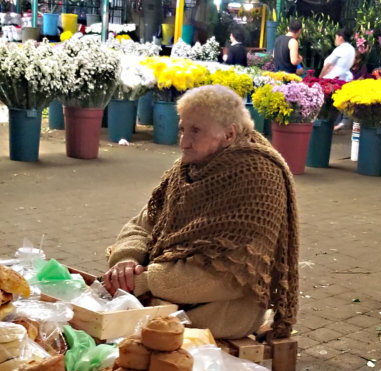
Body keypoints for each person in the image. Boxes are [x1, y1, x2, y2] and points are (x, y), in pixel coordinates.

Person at [102, 85, 299, 340]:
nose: (183, 141)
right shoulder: (188, 168)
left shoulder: (259, 178)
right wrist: (126, 260)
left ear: (229, 135)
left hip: (221, 312)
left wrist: (144, 281)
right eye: (183, 129)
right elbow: (142, 224)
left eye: (195, 131)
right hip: (164, 291)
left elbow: (232, 274)